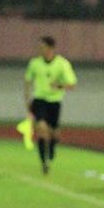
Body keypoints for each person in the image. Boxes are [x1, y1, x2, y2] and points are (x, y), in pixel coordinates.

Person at [24, 36, 77, 174]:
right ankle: (44, 162)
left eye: (42, 47)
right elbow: (28, 82)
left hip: (54, 102)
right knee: (41, 129)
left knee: (54, 134)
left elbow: (72, 84)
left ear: (50, 48)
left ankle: (52, 149)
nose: (40, 49)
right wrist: (27, 100)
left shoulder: (62, 64)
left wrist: (59, 85)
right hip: (39, 100)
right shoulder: (34, 63)